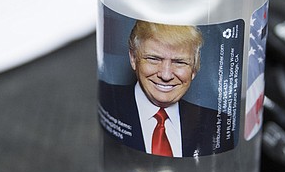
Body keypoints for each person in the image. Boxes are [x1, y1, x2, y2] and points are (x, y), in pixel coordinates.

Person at [99, 20, 231, 157]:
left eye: (179, 62)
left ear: (194, 69)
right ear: (133, 58)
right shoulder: (108, 101)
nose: (166, 75)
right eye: (154, 59)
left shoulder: (216, 125)